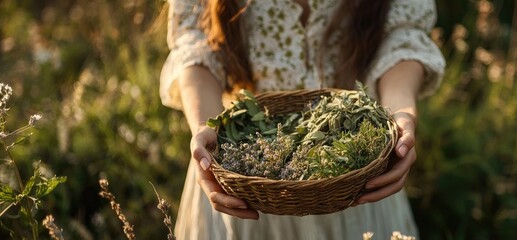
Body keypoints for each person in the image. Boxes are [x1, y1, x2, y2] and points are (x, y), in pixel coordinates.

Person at [159, 0, 445, 239]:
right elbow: (197, 41)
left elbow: (402, 36)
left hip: (355, 176)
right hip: (244, 172)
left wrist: (400, 114)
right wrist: (204, 127)